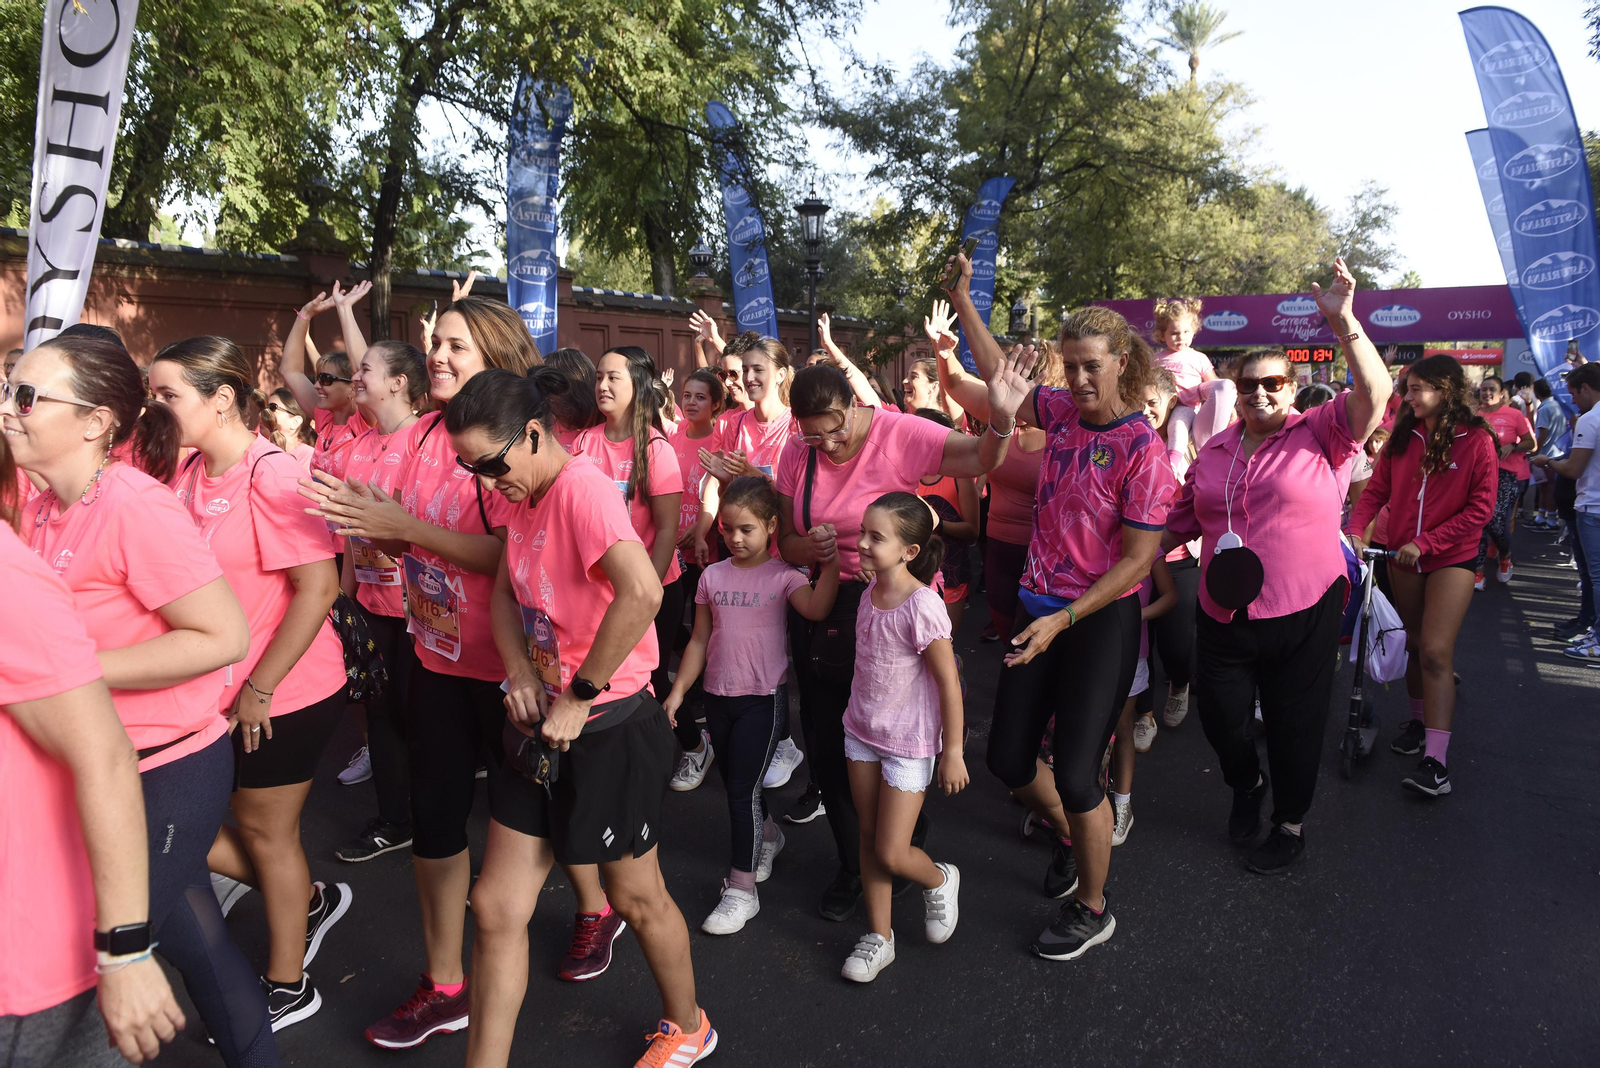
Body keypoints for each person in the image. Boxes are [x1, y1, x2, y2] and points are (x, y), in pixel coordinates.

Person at [5, 335, 275, 1063]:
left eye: (28, 396)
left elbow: (223, 634)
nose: (9, 409)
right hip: (101, 769)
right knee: (196, 943)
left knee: (109, 958)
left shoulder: (133, 504)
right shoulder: (38, 503)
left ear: (94, 422)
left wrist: (77, 667)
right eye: (8, 388)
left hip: (165, 769)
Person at [445, 367, 717, 1068]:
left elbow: (642, 593)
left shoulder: (583, 491)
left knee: (635, 896)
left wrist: (578, 693)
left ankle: (688, 1025)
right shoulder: (518, 493)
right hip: (538, 728)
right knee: (498, 907)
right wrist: (517, 672)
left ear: (533, 434)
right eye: (467, 466)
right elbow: (504, 591)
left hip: (607, 726)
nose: (482, 481)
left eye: (490, 464)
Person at [303, 295, 542, 1047]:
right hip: (434, 655)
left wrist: (406, 529)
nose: (436, 355)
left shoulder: (518, 438)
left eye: (456, 347)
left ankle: (603, 909)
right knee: (436, 825)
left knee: (559, 840)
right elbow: (425, 541)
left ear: (496, 357)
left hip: (515, 672)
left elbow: (518, 555)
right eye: (436, 342)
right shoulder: (424, 434)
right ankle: (445, 984)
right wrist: (377, 522)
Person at [949, 255, 1176, 961]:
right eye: (1070, 365)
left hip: (1096, 621)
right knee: (1011, 760)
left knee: (1080, 773)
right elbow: (1003, 384)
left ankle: (1092, 903)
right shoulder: (1058, 415)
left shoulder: (1144, 450)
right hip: (1036, 610)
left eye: (1091, 367)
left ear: (1123, 365)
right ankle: (1072, 833)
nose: (1077, 379)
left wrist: (1064, 619)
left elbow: (1139, 562)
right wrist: (964, 302)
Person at [775, 346, 1033, 923]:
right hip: (830, 601)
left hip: (898, 600)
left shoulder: (898, 431)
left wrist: (1001, 419)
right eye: (812, 438)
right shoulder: (800, 451)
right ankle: (855, 864)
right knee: (830, 741)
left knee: (901, 727)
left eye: (835, 431)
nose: (826, 446)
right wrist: (808, 548)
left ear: (852, 406)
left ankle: (905, 845)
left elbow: (979, 458)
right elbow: (784, 543)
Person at [150, 336, 352, 1029]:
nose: (157, 409)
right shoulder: (187, 474)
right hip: (213, 695)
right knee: (193, 826)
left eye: (167, 395)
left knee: (267, 837)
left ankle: (289, 983)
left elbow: (319, 587)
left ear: (222, 399)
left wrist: (261, 687)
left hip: (285, 691)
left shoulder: (272, 475)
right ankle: (307, 898)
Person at [1165, 260, 1391, 870]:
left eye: (1272, 383)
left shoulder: (1324, 432)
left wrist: (1345, 323)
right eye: (1247, 386)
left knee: (1295, 723)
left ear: (1291, 388)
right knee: (1220, 718)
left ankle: (1288, 823)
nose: (1259, 393)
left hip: (1305, 607)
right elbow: (1178, 520)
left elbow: (1376, 393)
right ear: (1233, 392)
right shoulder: (1213, 450)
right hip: (1223, 610)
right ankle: (1246, 785)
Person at [0, 515, 190, 1068]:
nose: (15, 421)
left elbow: (105, 758)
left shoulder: (12, 574)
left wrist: (124, 952)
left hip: (31, 966)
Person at [663, 476, 839, 935]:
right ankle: (769, 835)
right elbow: (699, 638)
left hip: (762, 700)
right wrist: (680, 691)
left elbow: (818, 610)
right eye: (726, 530)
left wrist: (832, 563)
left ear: (771, 527)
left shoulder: (785, 576)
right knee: (738, 784)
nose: (735, 539)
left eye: (746, 529)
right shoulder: (713, 577)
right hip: (718, 700)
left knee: (741, 789)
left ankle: (741, 889)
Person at [1348, 353, 1497, 796]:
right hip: (1401, 555)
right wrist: (1356, 531)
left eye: (1415, 389)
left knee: (1434, 650)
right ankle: (1418, 721)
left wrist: (1427, 543)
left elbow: (1481, 509)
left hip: (1450, 557)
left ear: (1444, 391)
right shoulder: (1404, 434)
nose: (1406, 397)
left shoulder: (1476, 439)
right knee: (1412, 644)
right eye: (1406, 388)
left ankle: (1437, 763)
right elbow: (1376, 490)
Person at [835, 492, 968, 983]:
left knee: (892, 850)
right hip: (862, 731)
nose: (863, 544)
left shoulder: (924, 606)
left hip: (909, 742)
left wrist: (952, 751)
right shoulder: (868, 592)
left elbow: (948, 683)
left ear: (910, 552)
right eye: (863, 532)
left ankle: (940, 878)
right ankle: (880, 936)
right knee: (868, 838)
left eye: (877, 537)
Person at [571, 348, 692, 790]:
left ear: (638, 385)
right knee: (610, 672)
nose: (602, 385)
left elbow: (665, 530)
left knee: (650, 678)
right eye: (598, 377)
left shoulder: (656, 450)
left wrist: (647, 590)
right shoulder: (583, 442)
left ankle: (690, 747)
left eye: (613, 378)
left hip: (650, 586)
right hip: (601, 589)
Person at [328, 343, 429, 864]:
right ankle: (395, 819)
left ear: (398, 383)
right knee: (381, 713)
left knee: (423, 719)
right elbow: (350, 532)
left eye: (366, 368)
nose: (355, 374)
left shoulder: (427, 439)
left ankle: (434, 818)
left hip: (424, 611)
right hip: (372, 602)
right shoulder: (358, 444)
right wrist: (346, 601)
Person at [929, 300, 1062, 644]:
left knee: (1041, 644)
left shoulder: (1066, 427)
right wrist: (943, 352)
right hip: (1000, 549)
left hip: (1046, 555)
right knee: (1009, 638)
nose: (1015, 383)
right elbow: (957, 384)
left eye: (1028, 378)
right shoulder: (1000, 413)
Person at [1531, 361, 1600, 662]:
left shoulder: (1590, 419)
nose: (1572, 400)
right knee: (1591, 575)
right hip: (1591, 505)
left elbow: (1573, 469)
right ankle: (1590, 627)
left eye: (1574, 393)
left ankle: (1596, 637)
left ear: (1586, 388)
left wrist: (1548, 462)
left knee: (1595, 577)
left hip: (1592, 506)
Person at [1108, 562, 1176, 840]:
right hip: (1087, 649)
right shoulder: (1086, 536)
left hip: (1132, 650)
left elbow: (1171, 596)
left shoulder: (1149, 546)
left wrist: (1135, 615)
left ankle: (1122, 806)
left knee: (1122, 728)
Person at [281, 282, 371, 481]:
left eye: (326, 379)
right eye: (318, 378)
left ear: (353, 387)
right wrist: (304, 316)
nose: (316, 386)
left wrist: (345, 310)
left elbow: (366, 373)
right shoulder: (325, 418)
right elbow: (290, 371)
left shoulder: (365, 424)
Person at [913, 408, 979, 631]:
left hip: (951, 570)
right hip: (911, 573)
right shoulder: (906, 473)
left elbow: (972, 530)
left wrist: (939, 524)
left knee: (944, 643)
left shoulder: (959, 475)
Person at [1473, 375, 1535, 587]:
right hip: (1478, 475)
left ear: (1501, 394)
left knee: (1495, 520)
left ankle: (1505, 554)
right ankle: (1478, 571)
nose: (1487, 393)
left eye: (1492, 389)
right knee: (1477, 523)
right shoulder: (1474, 416)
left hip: (1505, 475)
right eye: (1483, 389)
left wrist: (1514, 447)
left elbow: (1532, 444)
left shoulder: (1514, 415)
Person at [1151, 296, 1233, 449]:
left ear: (1194, 331)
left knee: (1178, 428)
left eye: (1186, 331)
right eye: (1174, 333)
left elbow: (1215, 385)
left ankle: (1174, 465)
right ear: (1162, 335)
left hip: (1186, 408)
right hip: (1161, 408)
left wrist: (1230, 407)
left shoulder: (1198, 358)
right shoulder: (1155, 359)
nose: (1181, 337)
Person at [1529, 378, 1564, 530]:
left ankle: (1550, 520)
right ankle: (1541, 517)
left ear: (1536, 392)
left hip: (1546, 454)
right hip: (1556, 452)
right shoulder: (1556, 405)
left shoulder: (1544, 408)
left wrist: (1535, 451)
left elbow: (1543, 432)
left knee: (1547, 488)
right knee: (1544, 487)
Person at [261, 388, 317, 471]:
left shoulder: (308, 456)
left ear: (295, 422)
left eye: (272, 408)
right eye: (264, 408)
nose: (262, 414)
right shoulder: (258, 448)